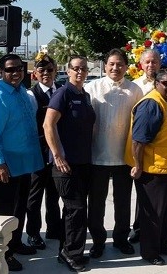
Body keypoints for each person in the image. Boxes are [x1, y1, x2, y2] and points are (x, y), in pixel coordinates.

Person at [0, 54, 44, 271]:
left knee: (19, 209)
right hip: (5, 167)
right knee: (3, 213)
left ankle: (15, 243)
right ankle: (3, 254)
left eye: (19, 68)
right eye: (9, 69)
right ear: (1, 72)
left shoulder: (22, 94)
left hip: (24, 164)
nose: (15, 73)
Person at [125, 68, 167, 266]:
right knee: (152, 215)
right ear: (156, 83)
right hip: (153, 171)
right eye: (166, 83)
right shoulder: (151, 104)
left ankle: (163, 245)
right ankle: (150, 252)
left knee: (166, 212)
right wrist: (137, 165)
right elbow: (138, 140)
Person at [84, 49, 142, 258]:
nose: (115, 68)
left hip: (123, 156)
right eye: (111, 64)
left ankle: (120, 238)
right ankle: (98, 240)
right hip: (97, 155)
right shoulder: (92, 88)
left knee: (123, 201)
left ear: (126, 67)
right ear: (105, 65)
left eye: (119, 64)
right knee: (97, 203)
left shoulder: (135, 90)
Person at [43, 56, 96, 272]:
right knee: (77, 209)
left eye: (84, 68)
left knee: (72, 211)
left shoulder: (85, 95)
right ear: (68, 70)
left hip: (83, 162)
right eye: (76, 69)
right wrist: (57, 155)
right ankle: (72, 254)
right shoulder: (62, 93)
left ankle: (64, 250)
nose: (80, 72)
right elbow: (48, 125)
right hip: (65, 164)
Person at [129, 48, 167, 244]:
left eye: (155, 61)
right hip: (149, 158)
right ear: (141, 64)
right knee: (150, 203)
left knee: (165, 205)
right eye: (147, 62)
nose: (151, 65)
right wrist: (138, 162)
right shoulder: (135, 87)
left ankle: (165, 236)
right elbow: (139, 134)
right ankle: (145, 237)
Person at [25, 54, 62, 249]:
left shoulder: (61, 92)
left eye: (49, 69)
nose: (46, 73)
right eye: (41, 70)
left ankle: (54, 228)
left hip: (56, 151)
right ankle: (32, 233)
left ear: (56, 71)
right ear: (35, 74)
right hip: (38, 152)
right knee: (35, 195)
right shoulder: (31, 96)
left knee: (54, 194)